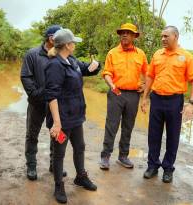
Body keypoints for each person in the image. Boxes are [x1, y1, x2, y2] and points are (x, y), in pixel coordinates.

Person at [45, 28, 100, 204]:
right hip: (62, 118)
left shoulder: (71, 60)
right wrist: (57, 123)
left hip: (76, 115)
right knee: (59, 153)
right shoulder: (54, 65)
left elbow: (85, 69)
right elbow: (52, 96)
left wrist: (94, 66)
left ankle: (81, 177)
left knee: (80, 146)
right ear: (67, 45)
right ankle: (59, 185)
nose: (75, 44)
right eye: (73, 42)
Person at [141, 26, 193, 183]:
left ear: (176, 36)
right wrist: (145, 98)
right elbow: (150, 76)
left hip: (175, 101)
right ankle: (152, 166)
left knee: (172, 136)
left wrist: (191, 103)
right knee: (153, 135)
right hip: (157, 99)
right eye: (161, 36)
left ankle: (168, 169)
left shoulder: (186, 56)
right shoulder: (157, 55)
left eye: (166, 36)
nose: (163, 39)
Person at [20, 25, 67, 181]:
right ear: (51, 38)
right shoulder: (32, 54)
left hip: (56, 104)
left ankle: (55, 164)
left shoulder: (61, 54)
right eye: (59, 37)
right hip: (37, 103)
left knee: (57, 133)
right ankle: (31, 166)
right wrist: (36, 94)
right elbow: (26, 77)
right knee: (32, 135)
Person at [99, 23, 148, 170]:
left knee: (128, 126)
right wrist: (111, 84)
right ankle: (105, 156)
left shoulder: (141, 54)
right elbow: (107, 73)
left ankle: (123, 156)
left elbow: (148, 73)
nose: (125, 34)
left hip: (134, 95)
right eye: (123, 32)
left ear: (134, 36)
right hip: (116, 92)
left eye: (128, 32)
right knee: (111, 125)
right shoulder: (112, 53)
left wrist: (145, 86)